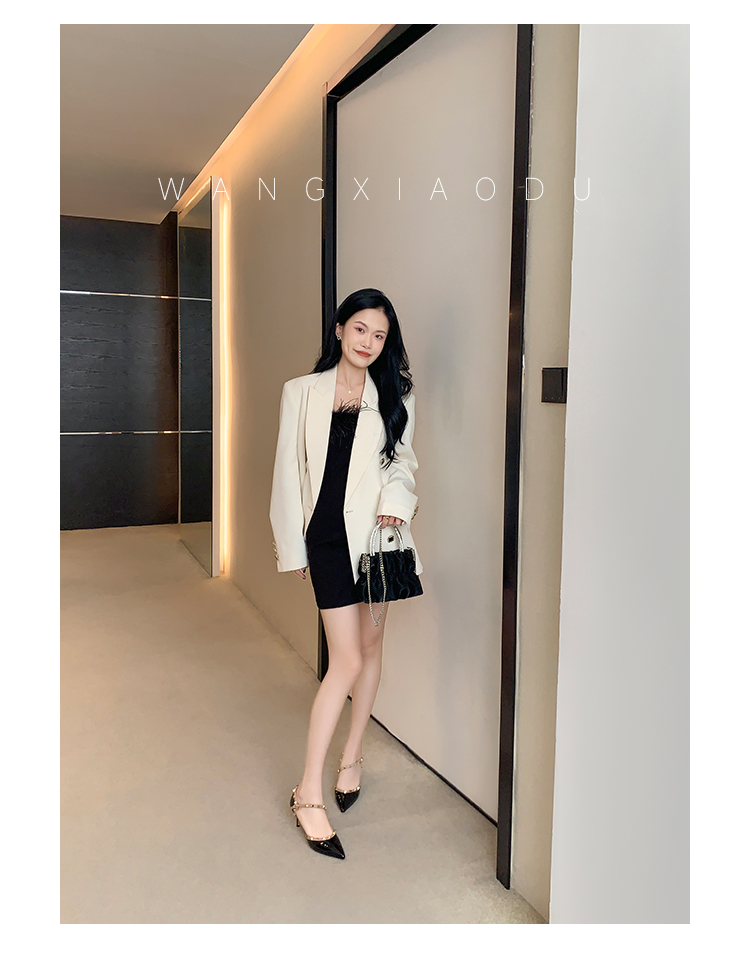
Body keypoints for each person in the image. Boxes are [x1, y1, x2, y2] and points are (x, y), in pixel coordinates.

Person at [269, 288, 423, 859]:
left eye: (380, 335)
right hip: (328, 540)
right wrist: (294, 548)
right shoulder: (301, 391)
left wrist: (398, 504)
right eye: (360, 329)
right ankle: (308, 791)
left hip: (376, 539)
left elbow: (401, 463)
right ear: (339, 329)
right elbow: (288, 471)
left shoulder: (395, 394)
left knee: (372, 646)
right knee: (348, 659)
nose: (368, 342)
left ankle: (352, 754)